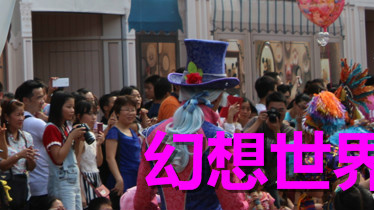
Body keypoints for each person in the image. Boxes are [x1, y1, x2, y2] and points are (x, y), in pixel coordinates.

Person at [133, 39, 250, 210]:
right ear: (217, 98)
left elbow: (142, 201)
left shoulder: (152, 134)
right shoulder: (218, 139)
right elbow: (234, 204)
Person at [43, 91, 84, 210]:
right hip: (62, 181)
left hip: (73, 179)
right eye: (68, 107)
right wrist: (71, 137)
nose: (72, 111)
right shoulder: (51, 128)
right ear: (58, 107)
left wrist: (78, 140)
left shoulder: (65, 127)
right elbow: (58, 158)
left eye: (73, 107)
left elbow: (75, 155)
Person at [0, 98, 37, 210]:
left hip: (23, 188)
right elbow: (1, 165)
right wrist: (19, 155)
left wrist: (30, 158)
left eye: (22, 114)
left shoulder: (27, 137)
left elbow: (31, 167)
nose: (21, 118)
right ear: (7, 117)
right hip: (7, 188)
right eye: (17, 115)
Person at [17, 79, 51, 210]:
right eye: (39, 97)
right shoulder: (36, 123)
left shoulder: (25, 122)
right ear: (25, 100)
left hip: (30, 184)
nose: (42, 101)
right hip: (42, 183)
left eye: (43, 97)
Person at [104, 96, 140, 203]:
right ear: (117, 113)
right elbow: (110, 158)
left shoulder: (132, 132)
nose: (130, 113)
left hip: (135, 176)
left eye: (133, 110)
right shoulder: (114, 131)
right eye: (127, 110)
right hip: (123, 176)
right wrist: (119, 179)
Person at [73, 98, 106, 209]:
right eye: (89, 114)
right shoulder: (80, 136)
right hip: (85, 178)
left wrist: (99, 144)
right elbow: (77, 164)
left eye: (95, 113)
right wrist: (81, 193)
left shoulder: (91, 134)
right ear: (79, 116)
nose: (94, 117)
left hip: (96, 177)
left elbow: (99, 163)